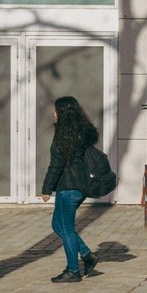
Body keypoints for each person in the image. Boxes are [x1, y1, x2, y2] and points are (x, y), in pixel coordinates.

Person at [39, 96, 101, 283]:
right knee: (58, 225)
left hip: (68, 187)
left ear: (64, 112)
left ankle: (73, 270)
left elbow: (56, 164)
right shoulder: (81, 132)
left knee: (65, 228)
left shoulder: (64, 135)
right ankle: (87, 256)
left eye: (56, 110)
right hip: (79, 187)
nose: (53, 112)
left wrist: (46, 189)